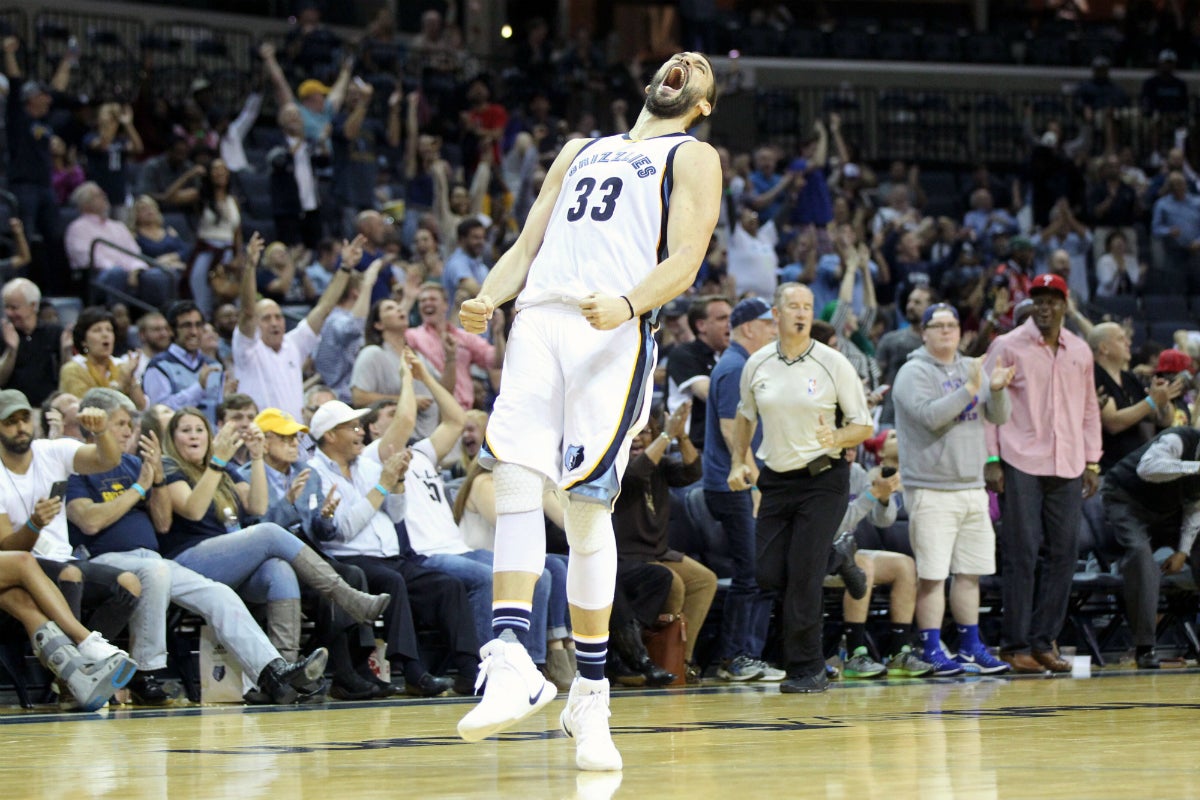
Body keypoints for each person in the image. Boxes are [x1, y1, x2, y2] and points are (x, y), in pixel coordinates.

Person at [455, 52, 721, 771]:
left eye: (697, 68)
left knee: (586, 509)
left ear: (701, 103)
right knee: (512, 474)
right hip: (538, 317)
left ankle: (592, 696)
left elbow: (688, 259)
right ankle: (509, 655)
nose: (684, 63)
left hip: (609, 328)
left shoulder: (692, 154)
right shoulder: (581, 148)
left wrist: (631, 303)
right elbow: (527, 241)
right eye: (676, 59)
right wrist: (492, 294)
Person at [64, 389, 328, 705]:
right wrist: (139, 489)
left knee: (219, 594)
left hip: (152, 558)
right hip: (104, 560)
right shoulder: (76, 469)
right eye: (120, 423)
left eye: (129, 424)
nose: (128, 431)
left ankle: (272, 672)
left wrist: (157, 482)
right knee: (157, 570)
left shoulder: (136, 463)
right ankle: (146, 673)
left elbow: (162, 524)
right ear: (97, 425)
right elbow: (89, 522)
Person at [158, 407, 390, 696]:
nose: (194, 435)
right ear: (173, 437)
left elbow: (256, 507)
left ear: (209, 435)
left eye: (199, 429)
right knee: (269, 534)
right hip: (188, 561)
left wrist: (256, 457)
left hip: (230, 561)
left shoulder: (227, 468)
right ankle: (347, 597)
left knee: (279, 568)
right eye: (186, 430)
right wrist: (216, 462)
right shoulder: (170, 466)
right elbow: (192, 511)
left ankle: (285, 676)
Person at [728, 283, 872, 695]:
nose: (802, 312)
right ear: (776, 313)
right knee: (769, 572)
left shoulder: (832, 363)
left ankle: (808, 668)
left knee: (804, 578)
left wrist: (839, 438)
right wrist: (740, 460)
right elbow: (744, 416)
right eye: (793, 305)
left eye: (807, 306)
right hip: (776, 479)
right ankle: (839, 553)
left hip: (823, 479)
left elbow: (863, 425)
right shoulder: (757, 364)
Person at [984, 273, 1102, 673]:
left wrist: (1092, 459)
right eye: (1039, 299)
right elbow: (988, 402)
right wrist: (992, 459)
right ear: (1032, 304)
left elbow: (1089, 408)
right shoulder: (1007, 344)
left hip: (1067, 461)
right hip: (1020, 459)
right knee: (1021, 551)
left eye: (1054, 299)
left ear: (1065, 305)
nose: (1046, 306)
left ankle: (1043, 640)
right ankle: (1015, 643)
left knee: (1065, 552)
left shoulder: (1081, 351)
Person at [892, 303, 1014, 677]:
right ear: (923, 333)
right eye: (938, 326)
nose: (946, 332)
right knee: (932, 576)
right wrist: (971, 388)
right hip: (931, 488)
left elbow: (999, 416)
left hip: (972, 485)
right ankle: (930, 647)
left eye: (952, 325)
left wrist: (994, 391)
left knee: (970, 573)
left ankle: (971, 647)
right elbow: (931, 416)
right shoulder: (912, 373)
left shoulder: (970, 367)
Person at [701, 296, 783, 682]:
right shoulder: (736, 367)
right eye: (769, 323)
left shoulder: (744, 364)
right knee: (750, 573)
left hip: (739, 483)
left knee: (759, 573)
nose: (774, 330)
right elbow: (732, 431)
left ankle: (747, 654)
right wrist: (754, 486)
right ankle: (735, 658)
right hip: (733, 485)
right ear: (749, 327)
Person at [613, 402, 717, 681]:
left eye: (646, 432)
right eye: (633, 432)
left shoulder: (661, 466)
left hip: (658, 552)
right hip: (628, 556)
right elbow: (635, 475)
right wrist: (665, 437)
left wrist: (681, 436)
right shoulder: (615, 467)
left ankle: (681, 659)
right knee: (675, 584)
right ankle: (653, 657)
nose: (638, 438)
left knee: (705, 580)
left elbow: (694, 471)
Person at [1102, 426, 1200, 669]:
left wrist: (1183, 551)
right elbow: (1147, 468)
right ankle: (1145, 647)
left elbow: (1195, 506)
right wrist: (1195, 468)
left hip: (1166, 513)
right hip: (1125, 500)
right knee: (1141, 556)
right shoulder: (1177, 439)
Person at [233, 233, 354, 420]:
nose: (274, 322)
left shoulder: (293, 344)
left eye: (278, 317)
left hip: (295, 439)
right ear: (256, 324)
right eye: (266, 318)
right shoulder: (247, 348)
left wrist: (345, 268)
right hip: (260, 437)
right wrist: (250, 267)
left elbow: (323, 308)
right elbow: (247, 312)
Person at [1091, 322, 1174, 471]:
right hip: (1107, 468)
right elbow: (1112, 423)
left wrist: (1164, 401)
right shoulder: (1094, 375)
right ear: (1104, 348)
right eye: (1121, 339)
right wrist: (1152, 401)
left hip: (1134, 466)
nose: (1128, 343)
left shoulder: (1130, 378)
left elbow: (1163, 420)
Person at [143, 301, 225, 425]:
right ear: (171, 330)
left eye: (198, 325)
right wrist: (199, 388)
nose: (194, 332)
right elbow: (160, 412)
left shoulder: (214, 366)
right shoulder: (158, 366)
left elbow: (219, 413)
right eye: (187, 326)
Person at [666, 295, 730, 451]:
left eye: (732, 317)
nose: (730, 324)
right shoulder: (684, 354)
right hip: (687, 450)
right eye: (722, 318)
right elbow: (710, 394)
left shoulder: (727, 356)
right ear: (701, 325)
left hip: (717, 447)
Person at [58, 307, 146, 411]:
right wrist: (121, 384)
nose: (105, 335)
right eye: (97, 330)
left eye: (109, 330)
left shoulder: (121, 366)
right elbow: (87, 408)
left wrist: (131, 378)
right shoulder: (73, 370)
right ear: (84, 341)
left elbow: (141, 407)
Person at [0, 278, 64, 407]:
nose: (8, 313)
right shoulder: (3, 334)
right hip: (11, 409)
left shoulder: (55, 332)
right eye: (6, 307)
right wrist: (11, 351)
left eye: (14, 307)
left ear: (33, 306)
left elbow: (66, 376)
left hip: (48, 407)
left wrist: (66, 350)